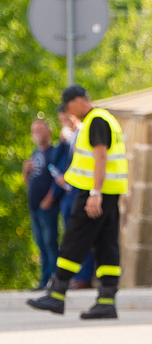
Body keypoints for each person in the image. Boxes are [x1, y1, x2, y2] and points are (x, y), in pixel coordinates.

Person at [27, 85, 128, 319]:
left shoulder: (96, 120)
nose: (69, 112)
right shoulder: (102, 119)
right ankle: (106, 301)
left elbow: (101, 156)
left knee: (74, 238)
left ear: (78, 101)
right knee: (106, 244)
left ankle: (56, 294)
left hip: (95, 193)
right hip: (108, 192)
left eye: (69, 106)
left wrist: (95, 192)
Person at [54, 108, 96, 289]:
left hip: (81, 190)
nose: (66, 124)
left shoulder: (83, 134)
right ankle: (74, 275)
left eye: (68, 119)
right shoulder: (67, 140)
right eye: (63, 121)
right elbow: (57, 161)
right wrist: (61, 142)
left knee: (83, 234)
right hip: (68, 193)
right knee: (70, 236)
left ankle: (84, 277)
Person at [23, 120, 62, 290]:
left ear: (49, 132)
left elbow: (58, 178)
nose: (37, 133)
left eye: (40, 129)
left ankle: (55, 279)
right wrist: (25, 170)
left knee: (50, 242)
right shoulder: (34, 153)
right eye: (34, 130)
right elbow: (28, 182)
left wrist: (50, 199)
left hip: (47, 207)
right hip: (34, 207)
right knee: (40, 244)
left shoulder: (53, 153)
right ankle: (44, 279)